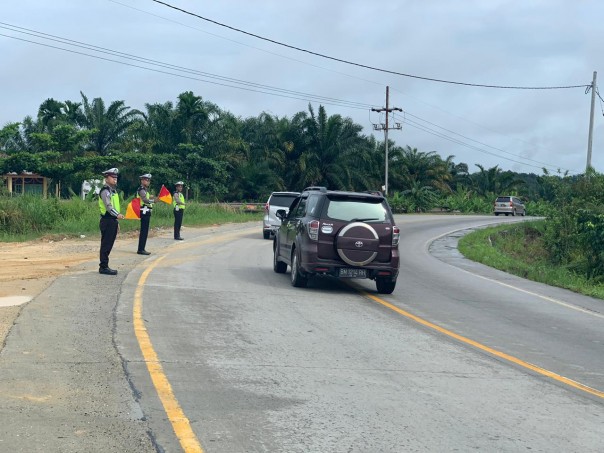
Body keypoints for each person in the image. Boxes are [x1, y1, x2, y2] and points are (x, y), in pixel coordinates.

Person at [98, 168, 125, 275]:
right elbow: (109, 207)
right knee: (106, 244)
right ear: (106, 178)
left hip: (112, 220)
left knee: (109, 244)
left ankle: (105, 265)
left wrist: (116, 221)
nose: (115, 179)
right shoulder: (105, 191)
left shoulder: (112, 191)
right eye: (112, 177)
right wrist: (117, 215)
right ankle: (103, 267)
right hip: (107, 220)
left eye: (116, 177)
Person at [136, 173, 154, 255]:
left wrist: (151, 197)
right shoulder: (141, 189)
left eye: (149, 180)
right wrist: (154, 200)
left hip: (146, 211)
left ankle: (142, 248)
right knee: (144, 231)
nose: (148, 181)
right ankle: (141, 249)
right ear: (142, 180)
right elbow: (145, 200)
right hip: (144, 211)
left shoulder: (145, 190)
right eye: (146, 180)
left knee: (145, 230)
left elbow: (146, 198)